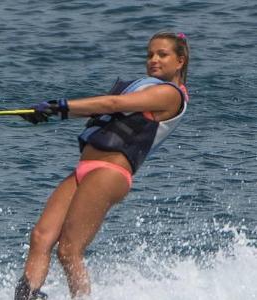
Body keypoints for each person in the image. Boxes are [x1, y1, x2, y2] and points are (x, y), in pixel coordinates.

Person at [15, 31, 190, 299]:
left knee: (69, 250)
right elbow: (98, 110)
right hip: (85, 169)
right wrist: (47, 114)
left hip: (110, 172)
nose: (153, 60)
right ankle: (26, 296)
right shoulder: (143, 87)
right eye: (149, 55)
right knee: (41, 236)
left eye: (162, 54)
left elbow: (113, 103)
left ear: (180, 61)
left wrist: (59, 106)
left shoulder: (171, 96)